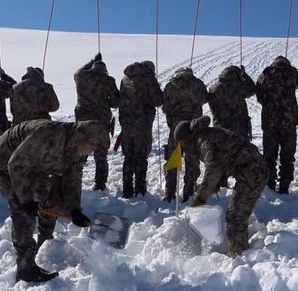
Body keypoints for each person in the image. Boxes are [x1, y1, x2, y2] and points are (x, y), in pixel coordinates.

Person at [0, 119, 108, 282]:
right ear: (82, 138)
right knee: (23, 214)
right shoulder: (47, 136)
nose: (91, 152)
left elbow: (73, 178)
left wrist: (74, 210)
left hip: (35, 164)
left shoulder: (77, 149)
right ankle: (26, 269)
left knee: (51, 198)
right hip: (7, 162)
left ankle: (44, 242)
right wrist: (25, 199)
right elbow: (15, 164)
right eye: (91, 146)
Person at [174, 116, 268, 257]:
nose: (183, 148)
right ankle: (240, 254)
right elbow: (223, 160)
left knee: (235, 218)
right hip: (249, 171)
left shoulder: (203, 141)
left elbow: (214, 168)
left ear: (187, 138)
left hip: (253, 173)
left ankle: (240, 258)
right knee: (235, 216)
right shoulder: (205, 135)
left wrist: (200, 198)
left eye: (182, 143)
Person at [255, 56, 298, 194]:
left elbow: (259, 93)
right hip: (289, 122)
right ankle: (284, 186)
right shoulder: (292, 73)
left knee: (269, 156)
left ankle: (269, 185)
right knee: (287, 156)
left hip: (270, 122)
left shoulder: (267, 73)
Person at [74, 53, 120, 191]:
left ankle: (75, 183)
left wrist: (92, 60)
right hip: (101, 124)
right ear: (104, 70)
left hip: (83, 124)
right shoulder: (108, 80)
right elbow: (116, 102)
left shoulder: (82, 77)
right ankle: (99, 185)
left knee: (79, 156)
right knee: (101, 157)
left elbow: (78, 72)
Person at [162, 67, 208, 202]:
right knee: (192, 161)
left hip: (176, 129)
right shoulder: (198, 84)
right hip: (193, 128)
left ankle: (169, 194)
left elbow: (165, 107)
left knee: (172, 160)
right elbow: (205, 99)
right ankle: (189, 193)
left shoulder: (170, 86)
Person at [119, 61, 163, 198]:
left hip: (126, 124)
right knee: (141, 157)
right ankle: (139, 190)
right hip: (142, 124)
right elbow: (158, 101)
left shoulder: (125, 78)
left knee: (128, 157)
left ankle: (127, 189)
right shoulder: (149, 79)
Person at [208, 65, 256, 140]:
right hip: (239, 128)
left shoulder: (213, 88)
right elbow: (252, 89)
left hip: (220, 128)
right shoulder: (239, 86)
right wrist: (244, 74)